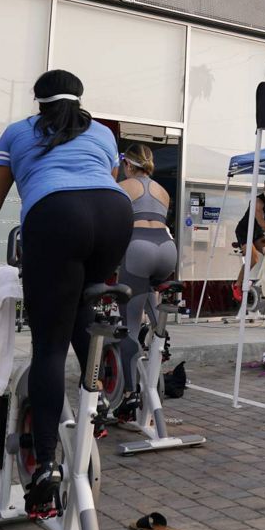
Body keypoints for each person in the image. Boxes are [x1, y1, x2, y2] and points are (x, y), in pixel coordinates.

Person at [0, 69, 132, 515]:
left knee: (49, 347)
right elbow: (102, 179)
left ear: (37, 101)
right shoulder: (101, 132)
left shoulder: (18, 132)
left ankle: (46, 467)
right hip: (115, 214)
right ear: (80, 98)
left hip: (56, 215)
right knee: (82, 312)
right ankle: (96, 410)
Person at [111, 143, 176, 421]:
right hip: (166, 249)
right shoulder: (163, 191)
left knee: (129, 328)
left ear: (127, 164)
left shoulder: (123, 187)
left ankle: (129, 394)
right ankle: (162, 339)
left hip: (139, 249)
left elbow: (114, 228)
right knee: (149, 292)